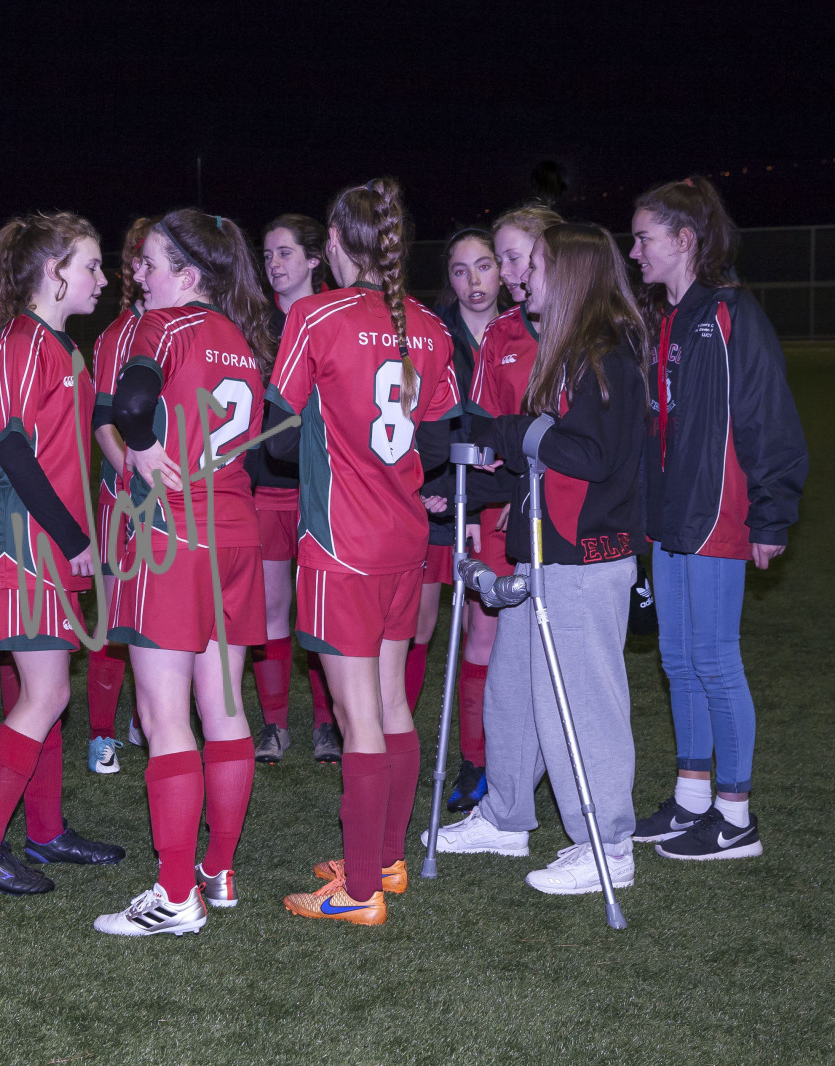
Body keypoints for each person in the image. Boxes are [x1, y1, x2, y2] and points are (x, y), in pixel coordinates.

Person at [264, 179, 458, 925]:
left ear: (338, 243)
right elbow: (436, 444)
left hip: (340, 542)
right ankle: (386, 859)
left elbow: (277, 440)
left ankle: (360, 891)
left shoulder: (315, 315)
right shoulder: (432, 328)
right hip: (404, 538)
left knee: (358, 716)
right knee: (391, 701)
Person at [98, 208, 271, 936]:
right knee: (225, 709)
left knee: (164, 716)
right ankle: (218, 869)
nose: (142, 275)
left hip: (172, 533)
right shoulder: (242, 338)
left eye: (153, 262)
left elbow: (132, 403)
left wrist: (138, 447)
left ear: (189, 274)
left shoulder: (163, 326)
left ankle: (175, 896)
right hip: (235, 532)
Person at [467, 221, 650, 896]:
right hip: (545, 555)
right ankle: (506, 815)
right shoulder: (572, 351)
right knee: (517, 693)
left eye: (537, 265)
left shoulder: (602, 355)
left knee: (582, 705)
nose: (523, 277)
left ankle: (607, 846)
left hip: (582, 561)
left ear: (570, 274)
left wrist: (516, 431)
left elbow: (589, 457)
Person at [628, 176, 807, 860]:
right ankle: (692, 799)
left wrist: (771, 515)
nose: (635, 251)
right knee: (678, 661)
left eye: (644, 238)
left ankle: (736, 818)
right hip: (671, 518)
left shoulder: (733, 314)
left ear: (684, 240)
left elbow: (769, 416)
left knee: (714, 660)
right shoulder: (666, 318)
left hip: (718, 513)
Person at [0, 211, 126, 896]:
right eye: (91, 265)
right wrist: (74, 537)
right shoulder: (25, 343)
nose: (102, 278)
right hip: (22, 548)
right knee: (48, 693)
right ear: (54, 272)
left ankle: (46, 832)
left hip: (46, 545)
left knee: (46, 693)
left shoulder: (59, 346)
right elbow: (13, 452)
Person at [430, 203, 563, 842]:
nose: (504, 274)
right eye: (497, 260)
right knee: (486, 640)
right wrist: (469, 493)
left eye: (511, 259)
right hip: (503, 510)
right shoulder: (501, 336)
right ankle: (479, 765)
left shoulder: (579, 326)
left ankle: (562, 780)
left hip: (570, 516)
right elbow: (484, 434)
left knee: (560, 651)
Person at [416, 227, 506, 812]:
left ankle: (481, 762)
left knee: (483, 631)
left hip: (492, 503)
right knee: (416, 629)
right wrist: (435, 488)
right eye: (459, 269)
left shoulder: (522, 330)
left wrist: (476, 500)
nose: (473, 280)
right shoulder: (434, 333)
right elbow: (420, 422)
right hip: (434, 503)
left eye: (484, 266)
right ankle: (397, 745)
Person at [251, 214, 342, 765]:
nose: (274, 264)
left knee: (320, 609)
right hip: (267, 486)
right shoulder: (256, 325)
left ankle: (328, 723)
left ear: (313, 259)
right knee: (272, 606)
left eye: (285, 252)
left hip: (323, 489)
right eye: (267, 255)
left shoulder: (335, 316)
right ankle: (276, 724)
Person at [87, 216, 154, 774]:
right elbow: (103, 421)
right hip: (126, 497)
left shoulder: (188, 326)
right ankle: (101, 733)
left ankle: (148, 715)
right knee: (113, 617)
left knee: (160, 615)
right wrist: (135, 475)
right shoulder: (118, 335)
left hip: (177, 501)